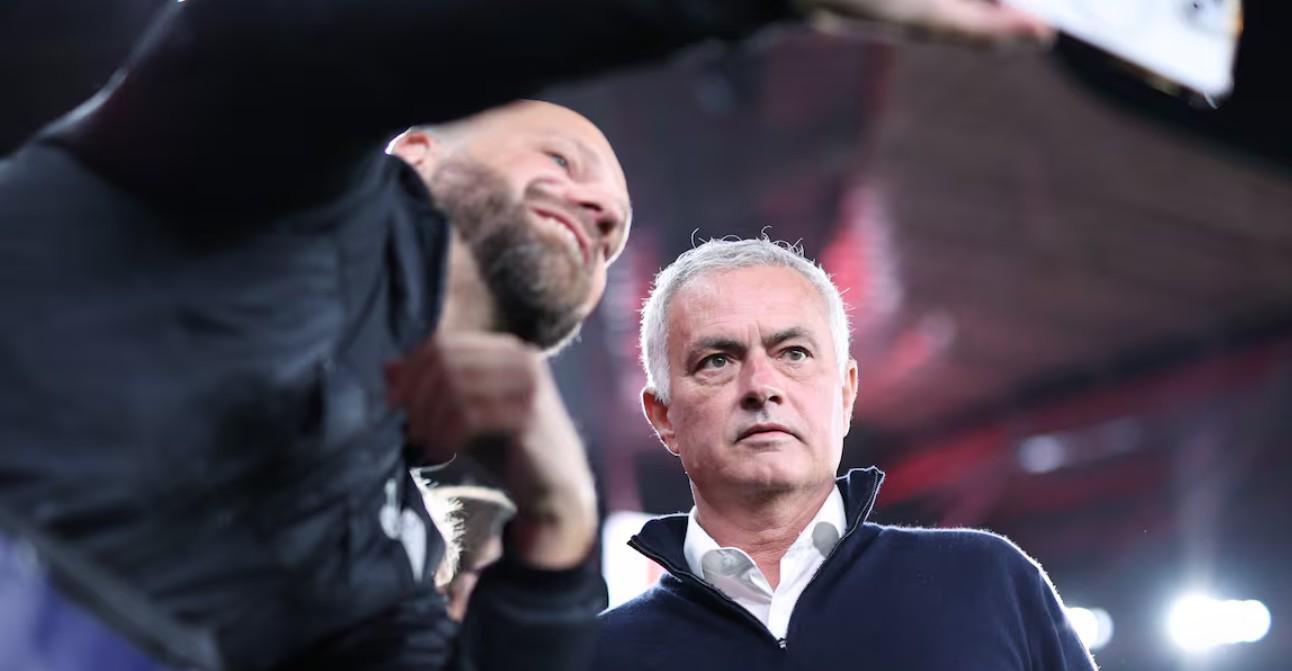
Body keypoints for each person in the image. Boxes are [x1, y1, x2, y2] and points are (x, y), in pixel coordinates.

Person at [0, 1, 1049, 670]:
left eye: (615, 229)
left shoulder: (389, 543)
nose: (600, 209)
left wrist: (555, 538)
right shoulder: (259, 190)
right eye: (560, 158)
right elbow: (302, 38)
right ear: (413, 151)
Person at [595, 238, 1097, 670]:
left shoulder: (987, 583)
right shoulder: (595, 656)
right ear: (663, 416)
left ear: (846, 393)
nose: (762, 386)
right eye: (717, 360)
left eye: (794, 353)